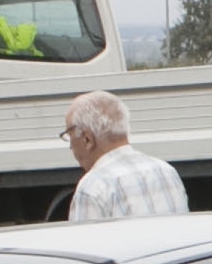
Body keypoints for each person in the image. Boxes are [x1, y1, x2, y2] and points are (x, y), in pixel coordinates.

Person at [63, 90, 189, 221]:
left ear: (87, 139)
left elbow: (85, 235)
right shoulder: (166, 171)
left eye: (70, 137)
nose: (71, 147)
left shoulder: (92, 188)